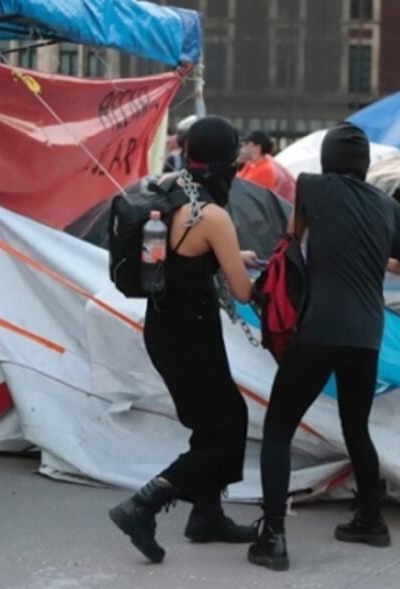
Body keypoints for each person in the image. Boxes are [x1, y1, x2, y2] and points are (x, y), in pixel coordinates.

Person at [248, 122, 400, 571]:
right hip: (366, 336)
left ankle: (272, 537)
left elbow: (293, 240)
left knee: (279, 428)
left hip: (319, 331)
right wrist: (369, 255)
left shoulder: (312, 188)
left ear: (327, 159)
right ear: (365, 165)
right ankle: (371, 520)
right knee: (356, 428)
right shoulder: (388, 206)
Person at [109, 116, 261, 563]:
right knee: (226, 427)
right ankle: (145, 504)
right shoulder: (213, 215)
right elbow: (242, 291)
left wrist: (232, 255)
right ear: (227, 162)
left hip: (163, 326)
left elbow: (183, 255)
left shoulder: (169, 186)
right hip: (191, 331)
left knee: (213, 420)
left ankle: (206, 515)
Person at [238, 130, 296, 202]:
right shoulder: (250, 164)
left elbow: (248, 193)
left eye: (247, 144)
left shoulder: (266, 169)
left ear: (257, 147)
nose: (243, 147)